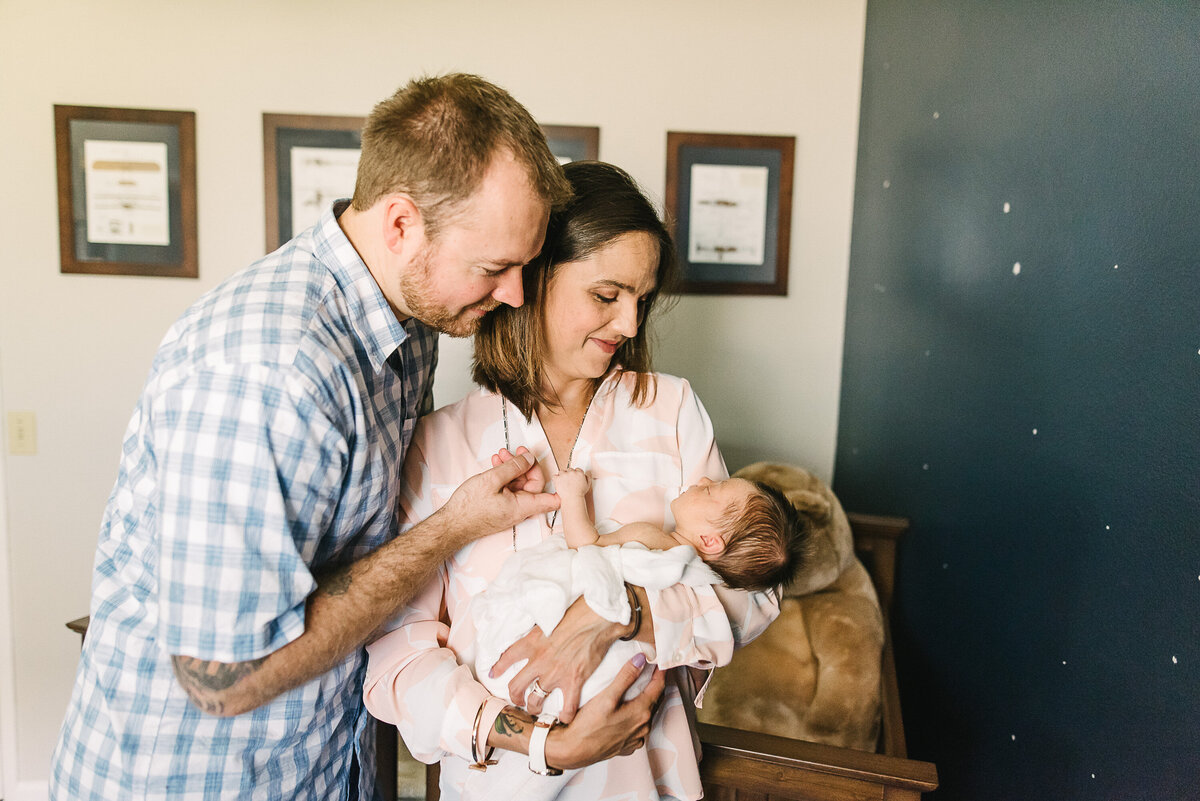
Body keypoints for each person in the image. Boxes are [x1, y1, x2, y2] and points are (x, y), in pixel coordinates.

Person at [51, 74, 573, 801]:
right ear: (400, 224)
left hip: (320, 761)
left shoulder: (410, 323)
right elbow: (224, 680)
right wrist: (452, 526)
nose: (516, 293)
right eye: (496, 267)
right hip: (196, 779)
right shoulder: (270, 372)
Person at [363, 161, 781, 801]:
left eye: (642, 301)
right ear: (532, 276)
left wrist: (618, 615)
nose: (631, 326)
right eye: (607, 296)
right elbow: (398, 656)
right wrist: (535, 740)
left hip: (645, 781)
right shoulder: (441, 444)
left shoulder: (669, 410)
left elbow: (751, 594)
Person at [556, 466, 806, 592]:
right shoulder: (698, 583)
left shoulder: (651, 539)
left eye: (710, 490)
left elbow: (584, 547)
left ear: (709, 541)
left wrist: (572, 495)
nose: (704, 480)